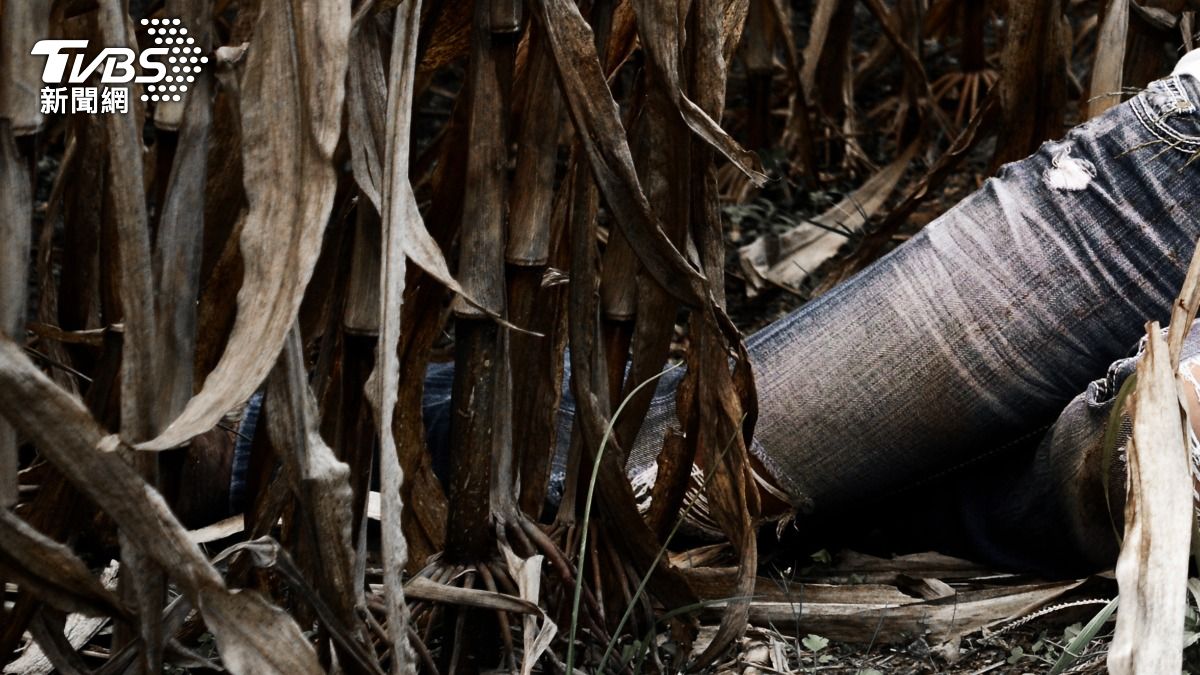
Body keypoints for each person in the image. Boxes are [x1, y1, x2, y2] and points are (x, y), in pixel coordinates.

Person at [236, 53, 1200, 578]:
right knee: (656, 467)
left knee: (1139, 459)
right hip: (1165, 189)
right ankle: (238, 436)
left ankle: (1089, 457)